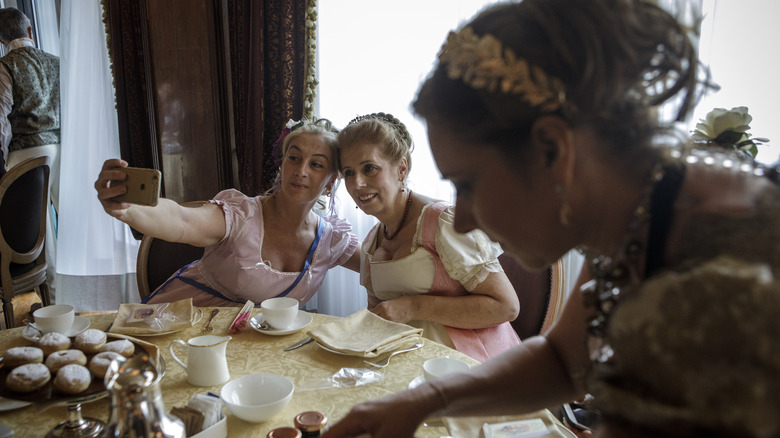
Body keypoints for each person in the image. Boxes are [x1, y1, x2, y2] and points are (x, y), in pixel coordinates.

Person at [321, 1, 780, 437]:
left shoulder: (737, 264)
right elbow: (564, 360)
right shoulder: (642, 216)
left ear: (551, 150)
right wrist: (425, 400)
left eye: (469, 183)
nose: (461, 222)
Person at [95, 118, 360, 307]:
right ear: (282, 164)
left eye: (316, 164)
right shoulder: (242, 215)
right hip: (183, 328)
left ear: (331, 180)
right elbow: (182, 220)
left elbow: (382, 268)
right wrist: (128, 208)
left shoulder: (331, 240)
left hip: (250, 352)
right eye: (294, 158)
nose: (301, 170)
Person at [337, 113, 520, 362]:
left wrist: (413, 306)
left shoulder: (445, 223)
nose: (357, 183)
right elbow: (380, 317)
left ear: (401, 168)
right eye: (348, 172)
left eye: (369, 168)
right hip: (406, 365)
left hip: (469, 364)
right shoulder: (372, 242)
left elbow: (506, 306)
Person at [0, 7, 60, 295]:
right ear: (30, 32)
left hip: (26, 153)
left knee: (40, 227)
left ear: (1, 41)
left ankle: (53, 293)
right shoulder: (56, 62)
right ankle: (84, 286)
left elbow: (1, 119)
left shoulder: (5, 66)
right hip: (62, 148)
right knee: (70, 215)